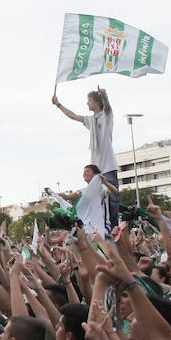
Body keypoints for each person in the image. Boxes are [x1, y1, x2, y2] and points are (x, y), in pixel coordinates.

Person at [52, 86, 118, 232]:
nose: (87, 103)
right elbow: (73, 116)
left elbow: (107, 108)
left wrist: (105, 97)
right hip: (96, 168)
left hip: (108, 166)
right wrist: (58, 104)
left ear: (97, 102)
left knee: (112, 200)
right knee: (95, 200)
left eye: (89, 101)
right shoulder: (91, 120)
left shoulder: (106, 117)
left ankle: (113, 228)